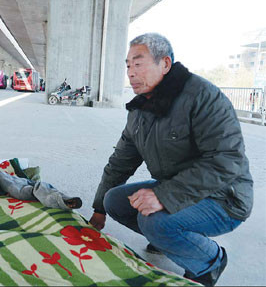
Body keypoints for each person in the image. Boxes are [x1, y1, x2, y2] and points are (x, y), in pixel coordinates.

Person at [89, 33, 253, 287]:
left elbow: (226, 160)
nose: (131, 72)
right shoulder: (140, 110)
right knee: (116, 201)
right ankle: (172, 237)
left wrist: (164, 197)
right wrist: (99, 208)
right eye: (128, 65)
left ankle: (210, 260)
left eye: (139, 63)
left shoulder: (203, 96)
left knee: (152, 220)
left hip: (224, 198)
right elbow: (120, 162)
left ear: (165, 64)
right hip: (179, 190)